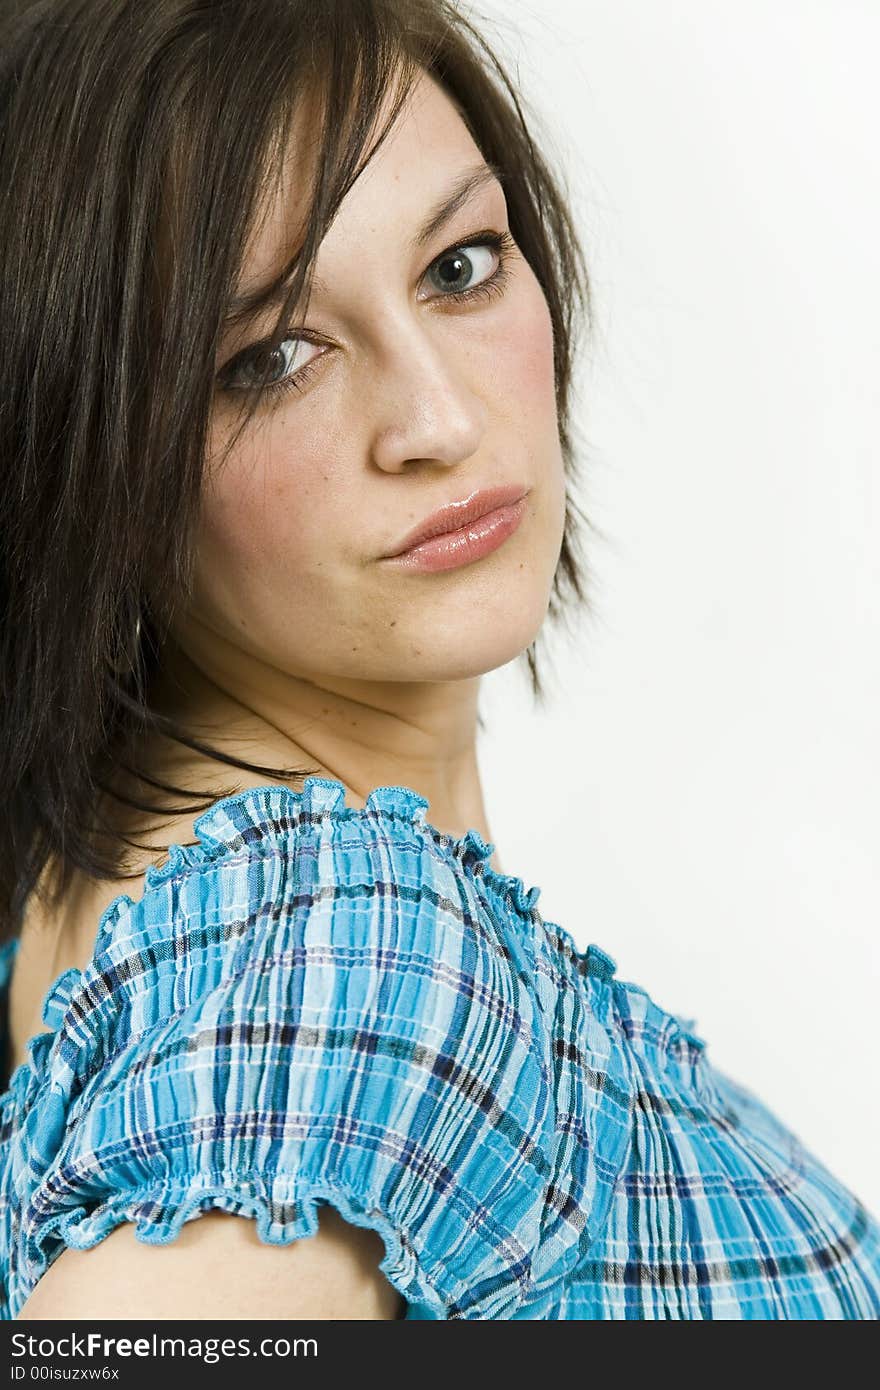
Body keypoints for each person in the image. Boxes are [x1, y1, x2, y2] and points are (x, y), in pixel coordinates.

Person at [0, 0, 877, 1322]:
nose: (441, 418)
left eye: (460, 266)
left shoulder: (72, 888)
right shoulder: (367, 960)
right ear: (94, 449)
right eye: (273, 356)